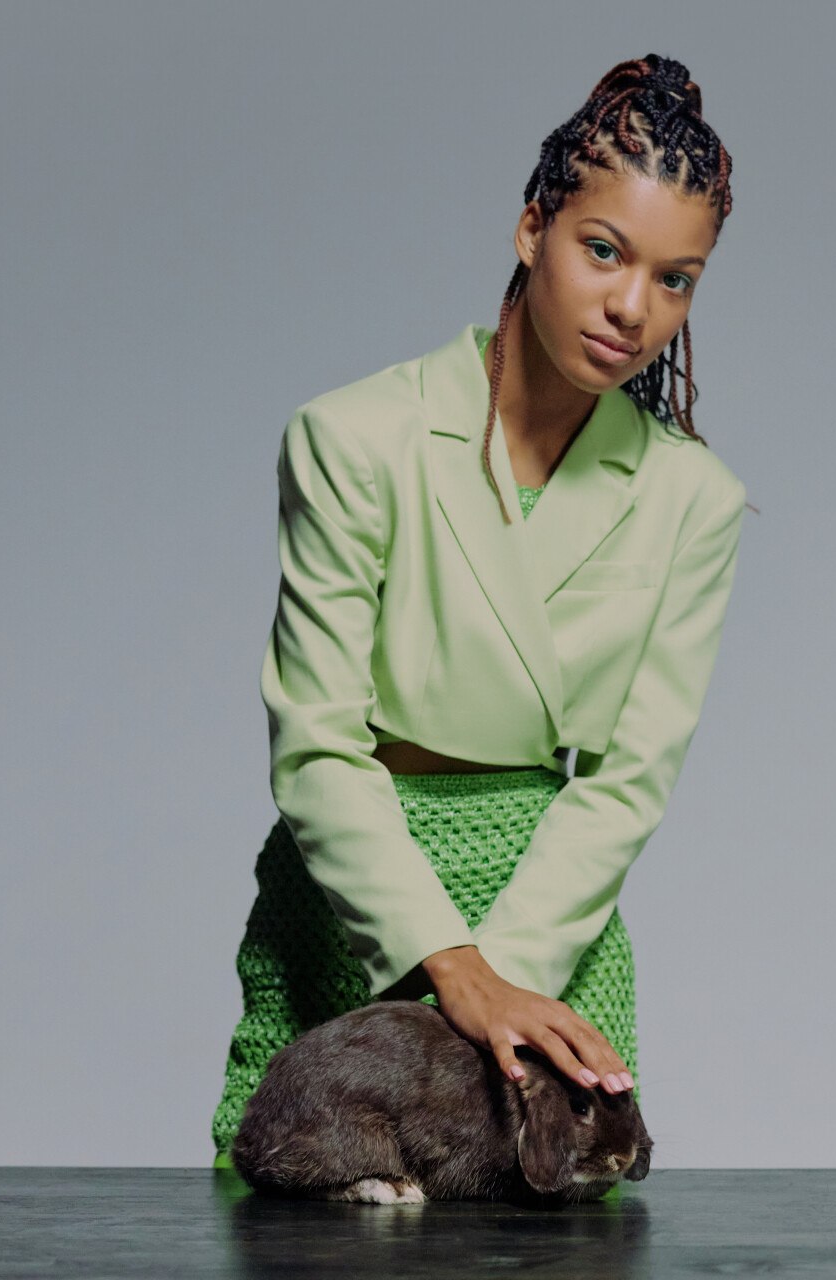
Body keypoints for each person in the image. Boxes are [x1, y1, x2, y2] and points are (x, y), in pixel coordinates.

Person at [211, 53, 749, 1181]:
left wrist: (509, 971)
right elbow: (316, 742)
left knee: (564, 1223)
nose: (633, 306)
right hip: (357, 894)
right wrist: (450, 971)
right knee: (303, 1206)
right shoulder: (354, 439)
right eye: (603, 250)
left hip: (556, 909)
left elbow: (630, 780)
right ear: (531, 228)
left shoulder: (694, 499)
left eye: (676, 278)